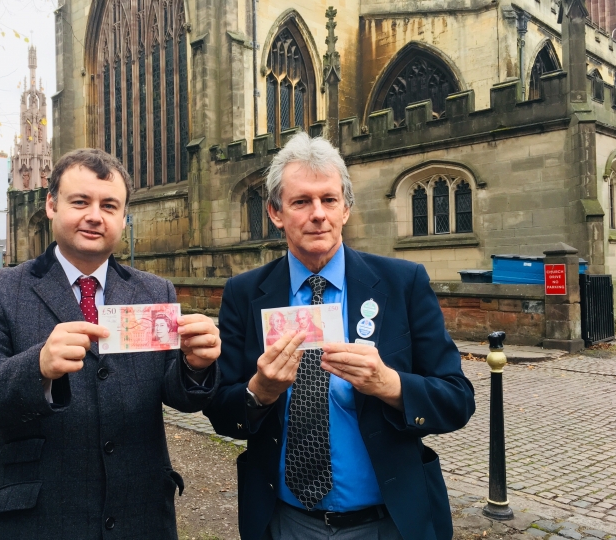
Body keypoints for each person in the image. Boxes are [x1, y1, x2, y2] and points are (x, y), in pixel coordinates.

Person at [204, 133, 475, 540]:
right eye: (301, 202)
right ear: (276, 213)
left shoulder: (403, 283)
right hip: (286, 522)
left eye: (329, 200)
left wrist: (391, 384)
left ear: (346, 209)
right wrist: (259, 392)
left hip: (389, 523)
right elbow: (221, 411)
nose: (318, 214)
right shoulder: (245, 293)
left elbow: (457, 399)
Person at [0, 148, 221, 539]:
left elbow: (179, 396)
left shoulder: (154, 291)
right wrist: (37, 366)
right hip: (41, 517)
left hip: (141, 513)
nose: (95, 215)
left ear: (123, 218)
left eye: (110, 205)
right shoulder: (1, 290)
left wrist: (196, 366)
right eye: (80, 202)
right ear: (51, 205)